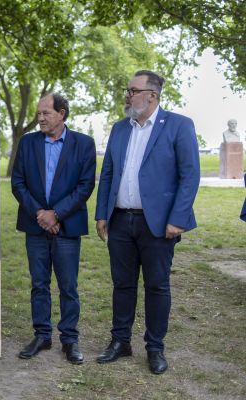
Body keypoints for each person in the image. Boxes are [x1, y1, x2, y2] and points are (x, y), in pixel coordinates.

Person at [95, 70, 200, 374]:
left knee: (157, 286)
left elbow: (190, 175)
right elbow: (108, 173)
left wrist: (178, 218)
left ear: (152, 95)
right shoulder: (120, 128)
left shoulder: (179, 125)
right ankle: (120, 342)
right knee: (122, 285)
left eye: (132, 90)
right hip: (120, 221)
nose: (127, 96)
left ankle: (155, 348)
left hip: (158, 225)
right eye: (127, 90)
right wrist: (102, 214)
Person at [11, 93, 96, 364]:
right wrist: (40, 214)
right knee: (39, 284)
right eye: (38, 113)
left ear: (62, 114)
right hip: (35, 226)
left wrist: (56, 214)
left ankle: (69, 340)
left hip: (67, 227)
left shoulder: (84, 144)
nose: (40, 118)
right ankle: (42, 336)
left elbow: (85, 186)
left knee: (68, 286)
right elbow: (18, 183)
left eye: (46, 113)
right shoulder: (28, 143)